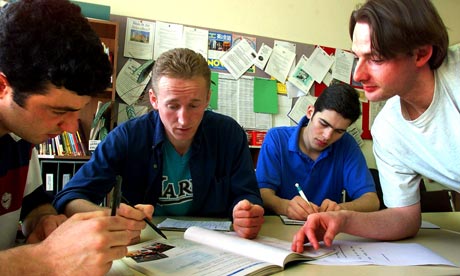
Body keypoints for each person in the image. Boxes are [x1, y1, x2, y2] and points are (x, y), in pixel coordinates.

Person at [292, 0, 460, 253]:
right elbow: (404, 217)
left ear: (421, 53)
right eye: (358, 57)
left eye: (376, 58)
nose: (358, 75)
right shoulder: (388, 129)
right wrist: (344, 219)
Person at [0, 0, 150, 275]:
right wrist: (42, 260)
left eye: (77, 113)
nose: (70, 129)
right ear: (2, 87)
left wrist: (45, 222)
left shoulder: (19, 138)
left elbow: (33, 205)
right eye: (58, 111)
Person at [53, 48, 265, 239]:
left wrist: (247, 212)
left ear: (208, 98)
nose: (184, 119)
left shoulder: (229, 134)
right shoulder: (127, 137)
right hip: (147, 242)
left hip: (216, 245)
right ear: (154, 100)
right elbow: (70, 198)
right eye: (172, 106)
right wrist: (113, 217)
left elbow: (248, 195)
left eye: (194, 105)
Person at [256, 83, 379, 220]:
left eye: (338, 131)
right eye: (324, 124)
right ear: (310, 112)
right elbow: (263, 193)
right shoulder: (277, 139)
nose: (327, 136)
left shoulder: (346, 144)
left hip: (325, 231)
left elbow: (371, 200)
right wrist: (285, 206)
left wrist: (341, 209)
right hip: (280, 229)